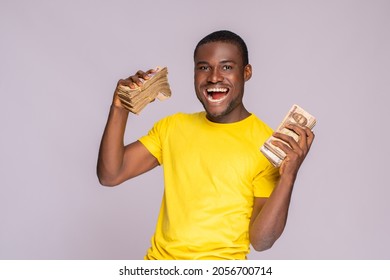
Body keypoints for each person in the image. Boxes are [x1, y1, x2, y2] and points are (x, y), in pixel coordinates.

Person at [97, 30, 315, 260]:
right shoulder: (173, 127)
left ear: (246, 72)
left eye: (227, 67)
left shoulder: (268, 144)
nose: (213, 77)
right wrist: (119, 108)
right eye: (203, 67)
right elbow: (111, 174)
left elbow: (262, 240)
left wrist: (288, 176)